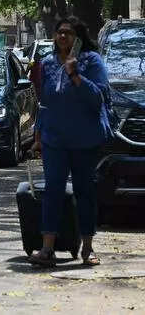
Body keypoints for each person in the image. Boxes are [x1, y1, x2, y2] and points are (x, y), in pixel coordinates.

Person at [29, 17, 110, 267]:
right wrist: (38, 136)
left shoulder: (91, 61)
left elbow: (99, 98)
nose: (63, 37)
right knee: (53, 190)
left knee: (85, 192)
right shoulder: (48, 63)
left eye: (69, 33)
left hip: (85, 140)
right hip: (55, 139)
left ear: (79, 38)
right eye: (59, 33)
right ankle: (47, 249)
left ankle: (87, 248)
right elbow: (45, 102)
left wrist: (76, 75)